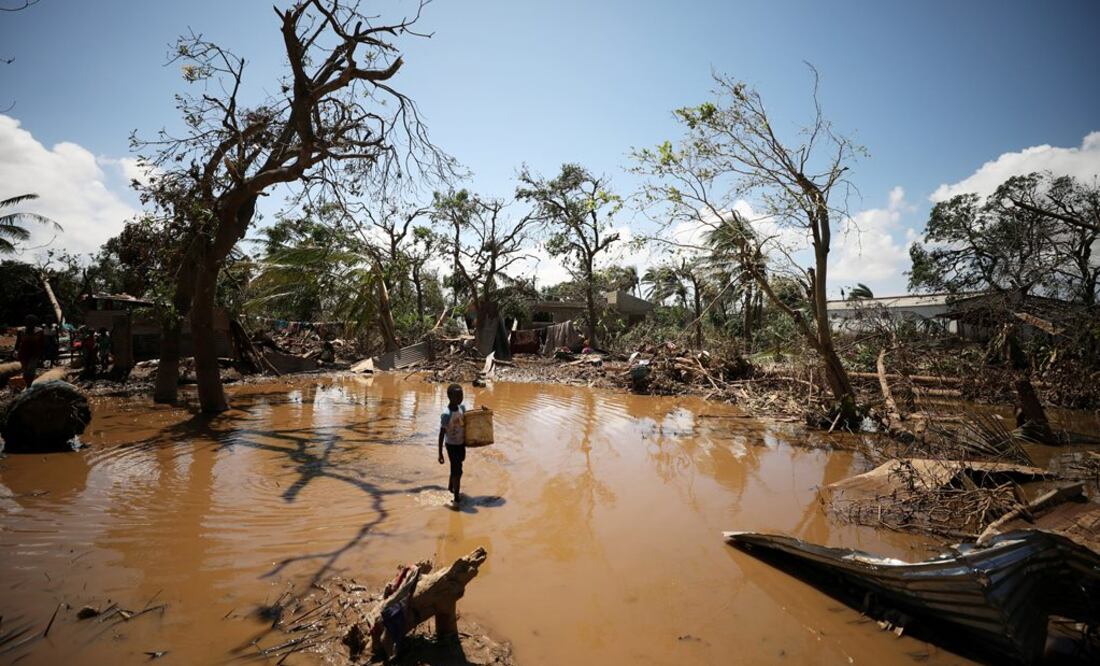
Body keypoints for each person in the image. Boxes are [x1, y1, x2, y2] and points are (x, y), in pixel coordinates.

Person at [437, 383, 467, 508]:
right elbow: (441, 434)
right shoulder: (446, 414)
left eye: (461, 395)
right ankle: (456, 497)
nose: (460, 398)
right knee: (458, 471)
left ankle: (450, 487)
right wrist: (440, 453)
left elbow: (468, 423)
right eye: (457, 395)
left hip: (461, 443)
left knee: (457, 466)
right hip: (451, 445)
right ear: (450, 396)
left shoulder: (462, 408)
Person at [15, 314, 45, 386]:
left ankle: (29, 385)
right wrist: (15, 351)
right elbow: (18, 342)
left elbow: (42, 343)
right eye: (28, 322)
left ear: (35, 323)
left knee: (31, 370)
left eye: (32, 322)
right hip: (23, 354)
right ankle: (28, 385)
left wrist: (42, 354)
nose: (30, 324)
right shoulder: (21, 331)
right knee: (25, 371)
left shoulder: (40, 331)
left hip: (34, 354)